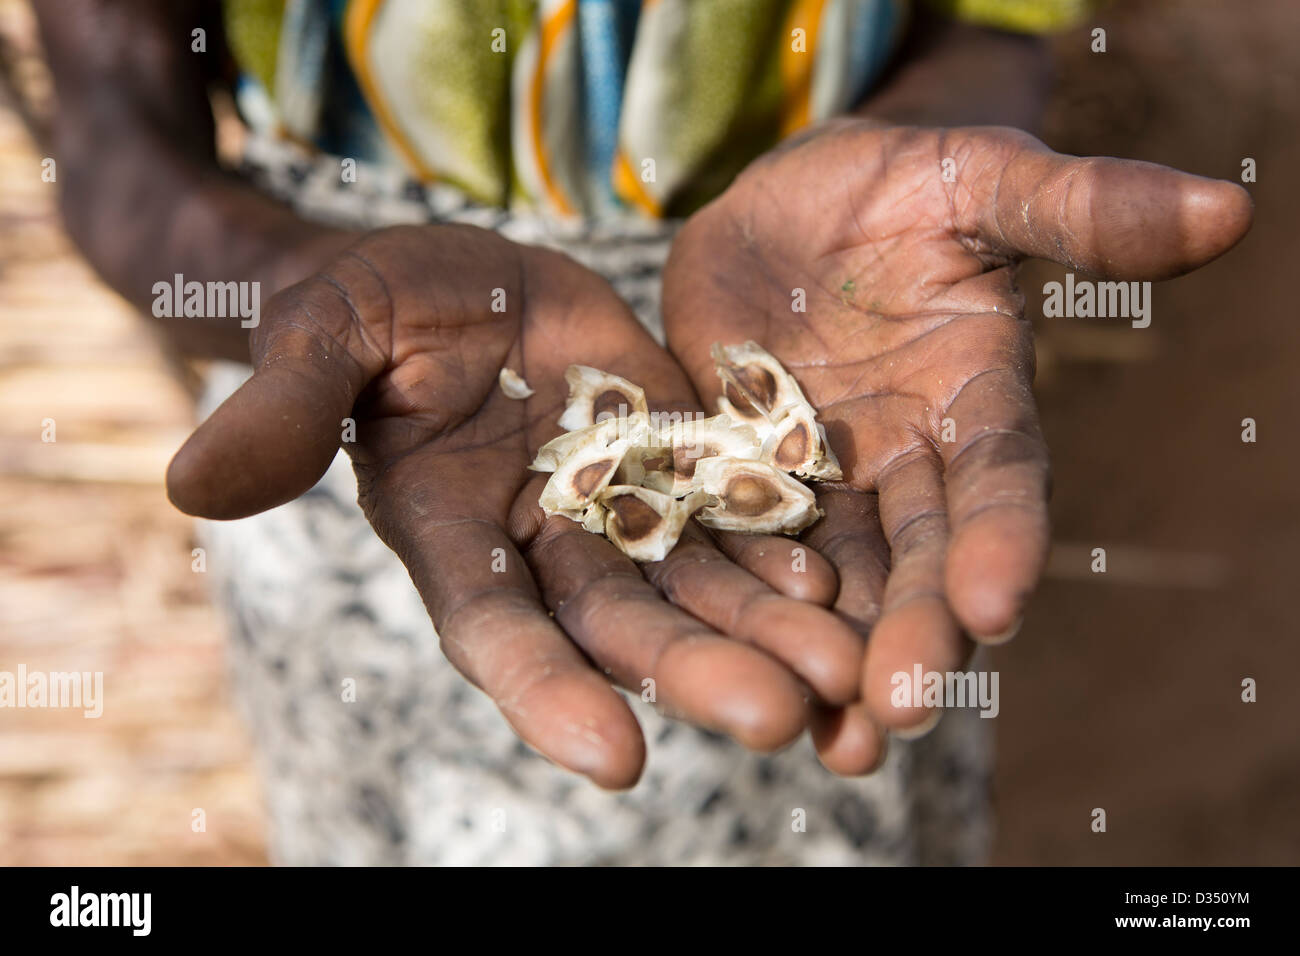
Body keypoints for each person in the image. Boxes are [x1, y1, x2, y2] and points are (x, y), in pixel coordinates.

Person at [34, 0, 1251, 864]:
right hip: (405, 418)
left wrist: (885, 169)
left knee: (822, 737)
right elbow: (112, 138)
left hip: (802, 298)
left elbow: (991, 29)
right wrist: (309, 291)